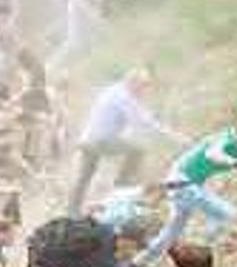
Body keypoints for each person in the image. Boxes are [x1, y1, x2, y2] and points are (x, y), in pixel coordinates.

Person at [132, 112, 237, 267]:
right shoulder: (225, 137)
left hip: (190, 185)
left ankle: (138, 263)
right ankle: (199, 252)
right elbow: (212, 154)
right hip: (180, 180)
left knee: (173, 230)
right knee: (227, 213)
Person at [67, 69, 186, 215]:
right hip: (100, 140)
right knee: (138, 150)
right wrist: (176, 137)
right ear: (133, 83)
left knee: (84, 177)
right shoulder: (123, 97)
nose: (144, 91)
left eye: (146, 86)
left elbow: (129, 120)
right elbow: (144, 121)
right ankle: (120, 188)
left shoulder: (114, 90)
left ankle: (72, 210)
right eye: (143, 86)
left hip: (88, 139)